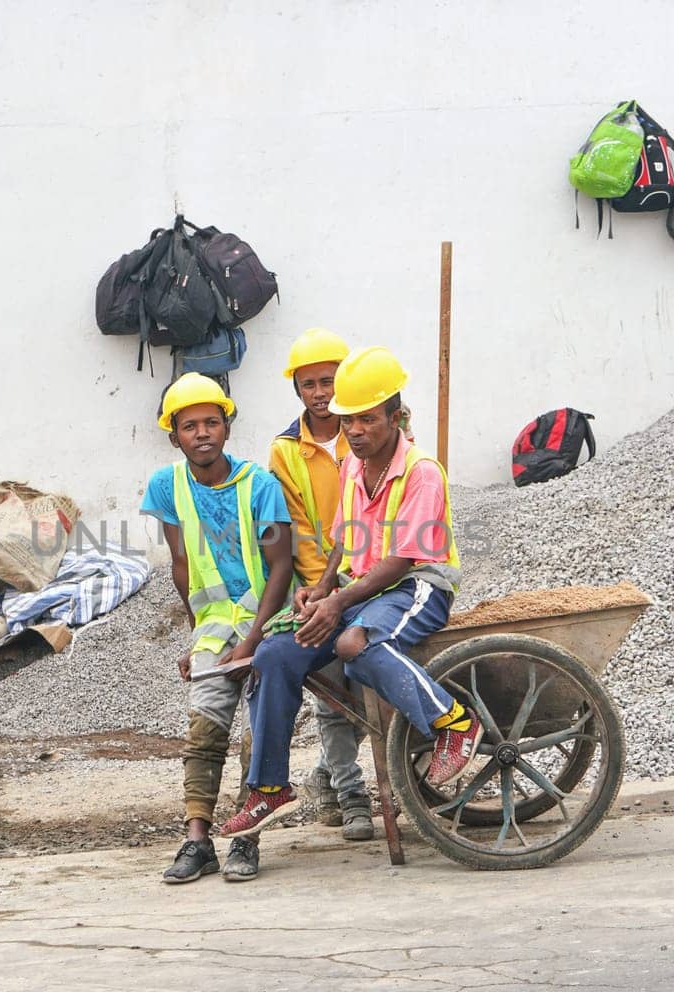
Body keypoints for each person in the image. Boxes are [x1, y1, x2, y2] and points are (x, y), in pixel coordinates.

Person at [218, 347, 478, 841]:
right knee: (274, 654)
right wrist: (321, 588)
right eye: (348, 422)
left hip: (420, 584)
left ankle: (454, 721)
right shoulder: (354, 468)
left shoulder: (421, 470)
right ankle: (269, 786)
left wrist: (338, 603)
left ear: (395, 417)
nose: (355, 431)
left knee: (354, 646)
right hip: (365, 592)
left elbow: (403, 558)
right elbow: (344, 539)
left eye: (366, 420)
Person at [141, 373, 293, 882]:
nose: (202, 433)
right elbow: (182, 564)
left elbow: (281, 567)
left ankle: (246, 839)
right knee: (204, 726)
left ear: (227, 428)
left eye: (212, 422)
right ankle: (197, 840)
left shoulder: (259, 486)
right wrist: (196, 637)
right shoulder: (167, 488)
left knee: (257, 727)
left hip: (267, 623)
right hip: (213, 626)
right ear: (174, 436)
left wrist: (251, 640)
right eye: (190, 426)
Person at [268, 328, 373, 842]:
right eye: (308, 384)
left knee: (370, 689)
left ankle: (327, 776)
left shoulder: (372, 427)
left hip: (378, 574)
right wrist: (316, 588)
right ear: (298, 390)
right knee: (333, 696)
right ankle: (353, 795)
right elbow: (294, 525)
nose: (320, 393)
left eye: (328, 380)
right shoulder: (287, 451)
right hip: (321, 583)